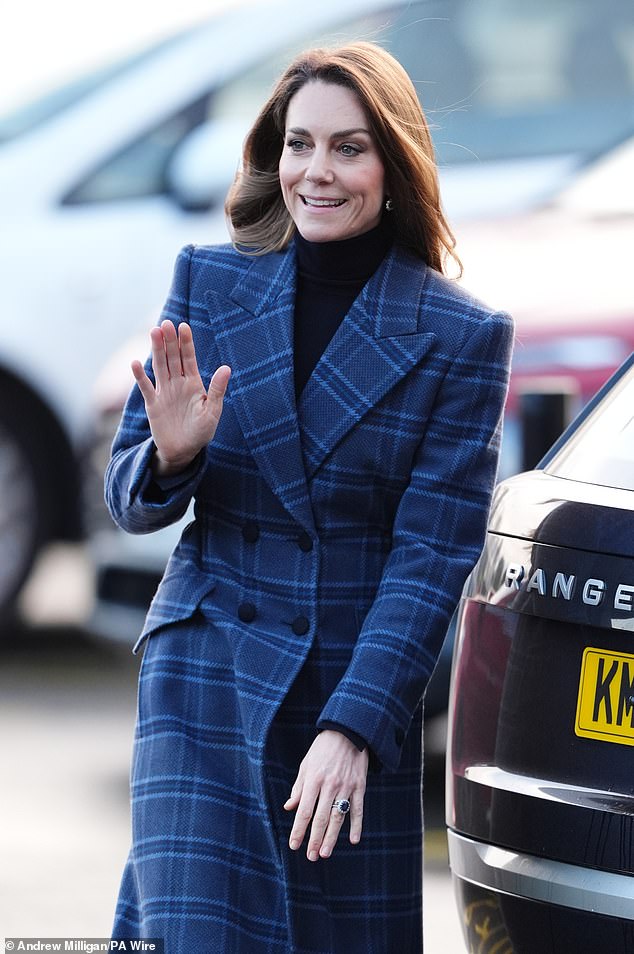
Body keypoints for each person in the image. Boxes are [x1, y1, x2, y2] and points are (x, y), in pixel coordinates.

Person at [107, 41, 513, 953]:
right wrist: (169, 460)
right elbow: (130, 502)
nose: (316, 173)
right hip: (204, 681)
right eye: (298, 145)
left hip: (344, 693)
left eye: (348, 148)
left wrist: (357, 728)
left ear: (394, 164)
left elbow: (431, 558)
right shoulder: (210, 280)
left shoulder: (462, 335)